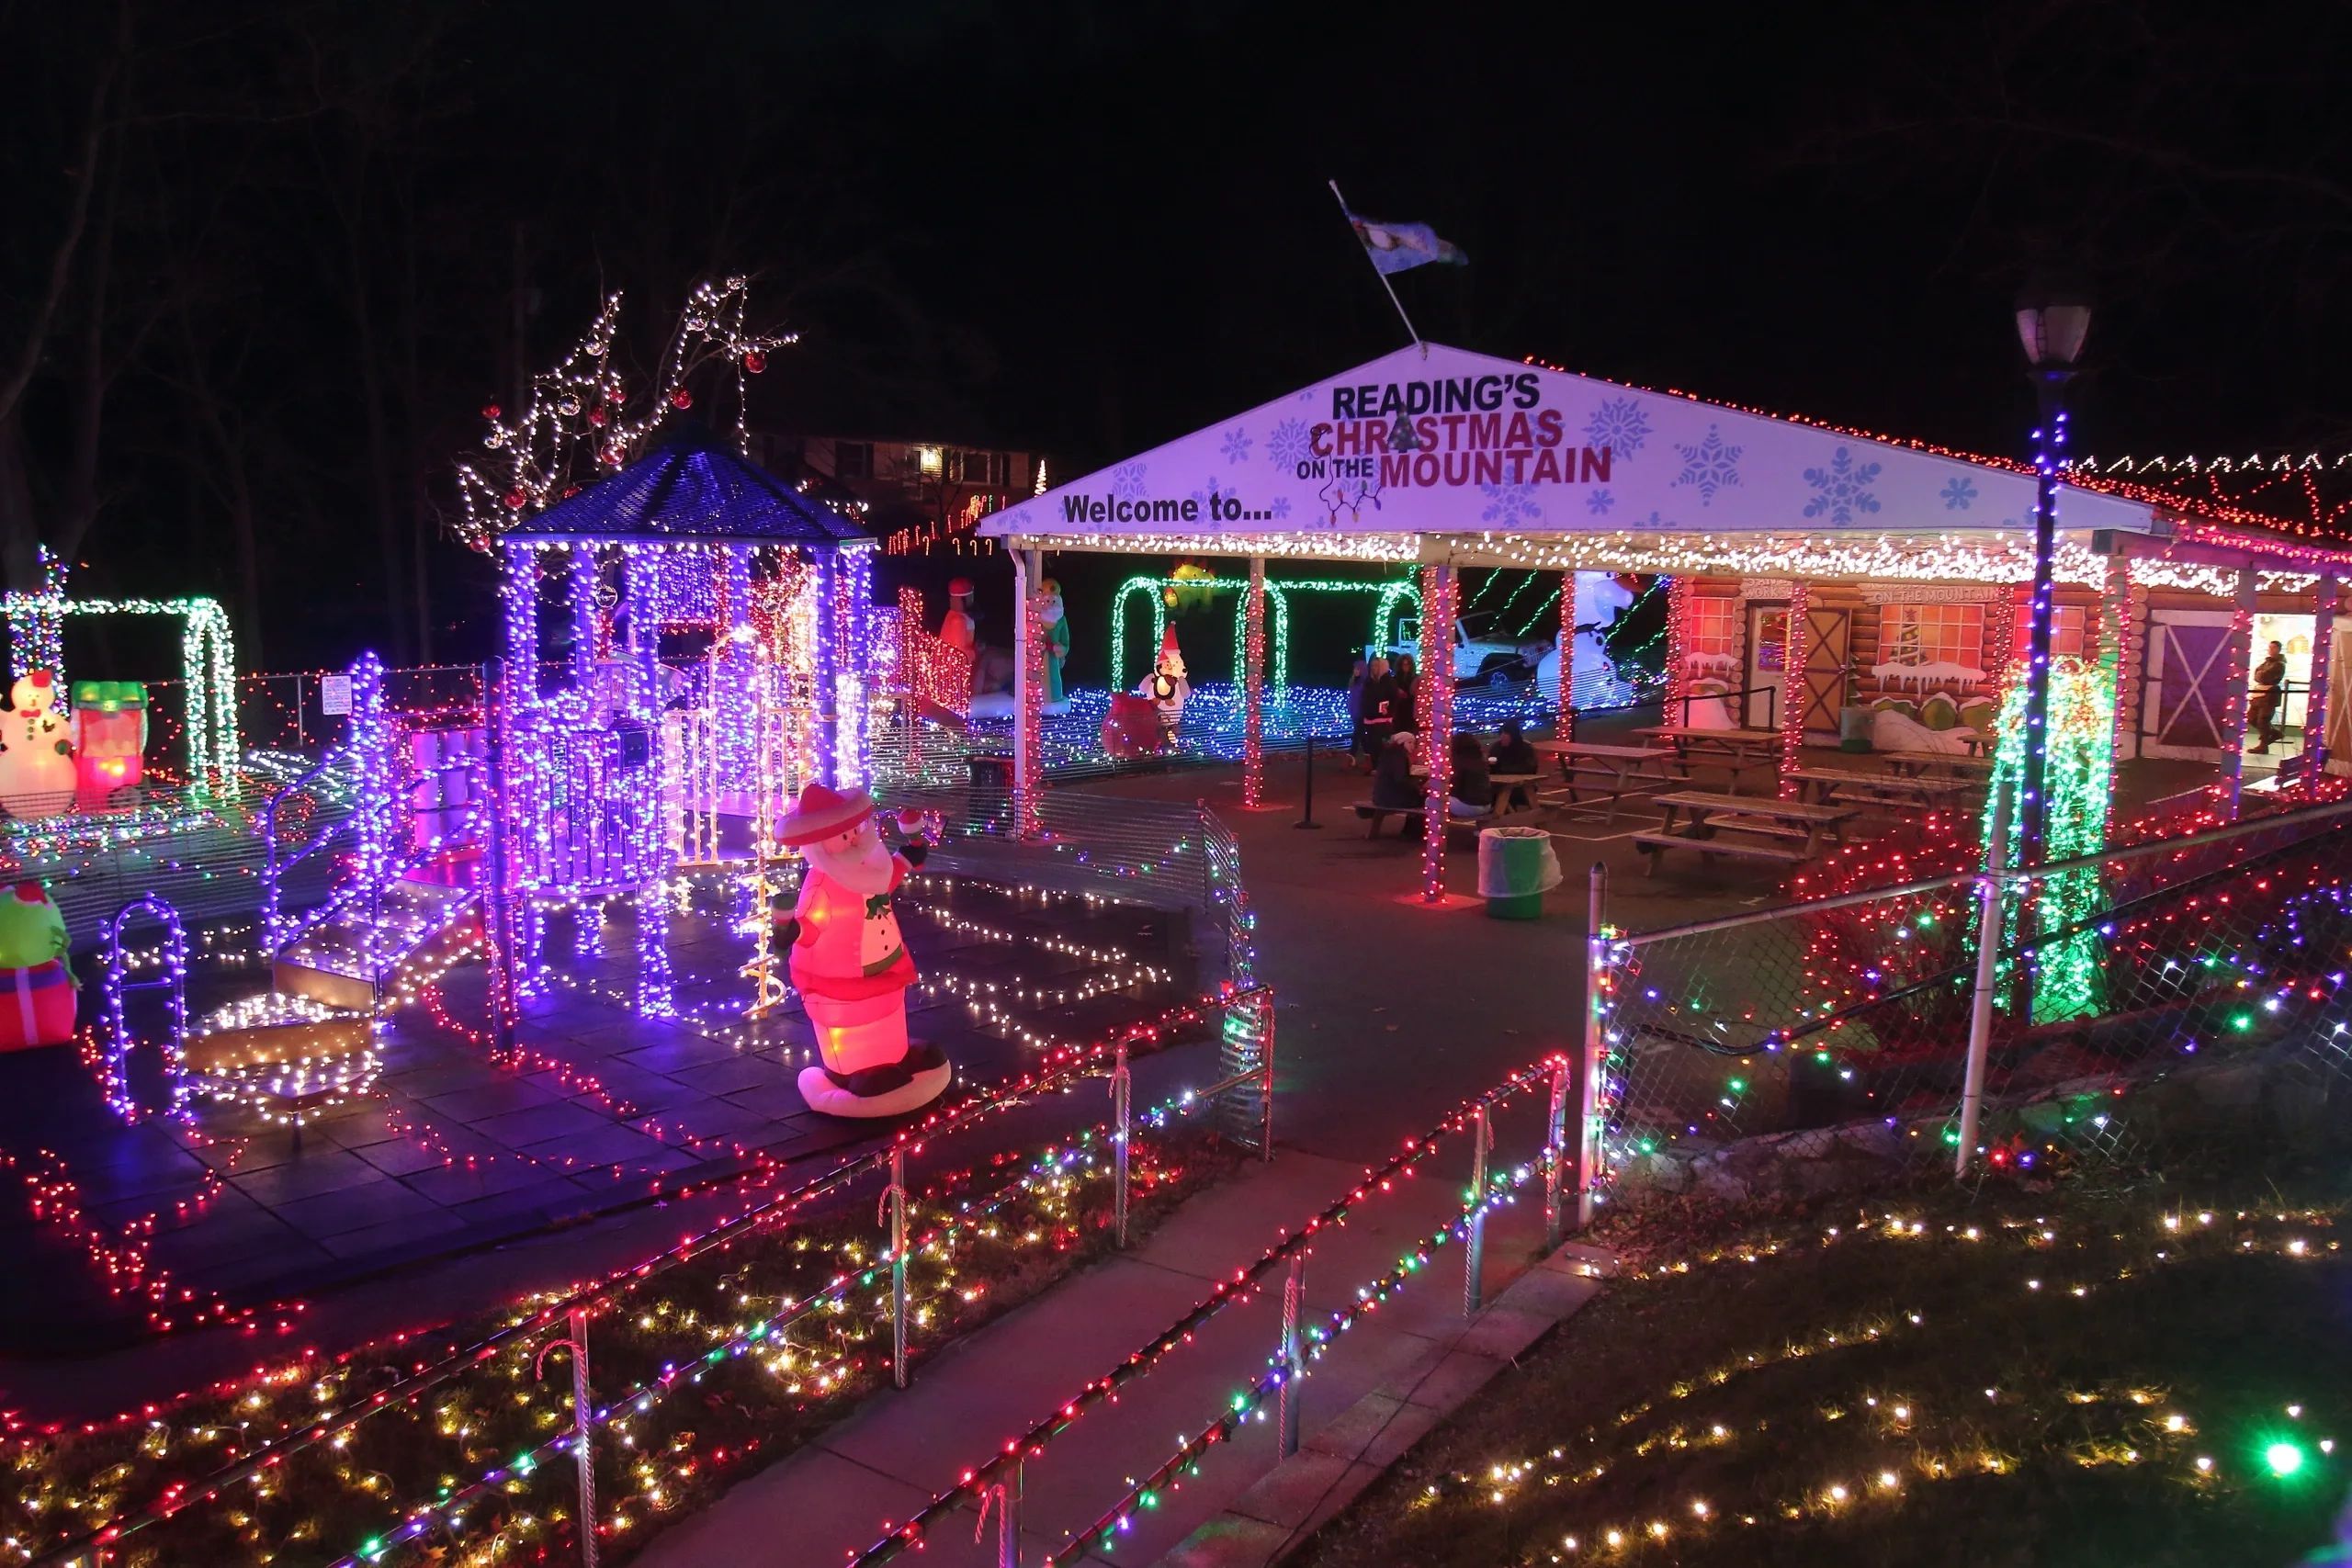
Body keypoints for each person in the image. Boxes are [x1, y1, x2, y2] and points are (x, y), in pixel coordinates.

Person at [1488, 718, 1540, 812]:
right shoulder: (1496, 748)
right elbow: (1490, 768)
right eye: (1501, 734)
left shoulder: (1526, 749)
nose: (1502, 737)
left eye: (1506, 734)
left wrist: (1504, 770)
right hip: (1498, 784)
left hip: (1521, 786)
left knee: (1503, 794)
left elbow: (1530, 769)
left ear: (1513, 735)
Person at [2249, 639, 2288, 753]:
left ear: (2278, 649)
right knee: (2251, 718)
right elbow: (2257, 674)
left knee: (2263, 720)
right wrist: (2260, 675)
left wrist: (2261, 674)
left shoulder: (2279, 664)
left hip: (2270, 695)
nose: (2270, 650)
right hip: (2259, 694)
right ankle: (2274, 733)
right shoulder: (2267, 662)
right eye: (2269, 647)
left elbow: (2265, 676)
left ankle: (2263, 745)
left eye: (2273, 648)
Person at [1358, 657, 1396, 762]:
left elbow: (1393, 699)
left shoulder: (1388, 682)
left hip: (1383, 720)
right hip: (1369, 718)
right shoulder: (1368, 682)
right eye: (1372, 666)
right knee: (1372, 745)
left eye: (1376, 666)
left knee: (1381, 745)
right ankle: (1375, 766)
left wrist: (1387, 710)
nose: (1373, 668)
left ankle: (1382, 767)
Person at [1447, 731, 1494, 818]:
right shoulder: (1481, 759)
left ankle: (1442, 828)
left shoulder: (1460, 762)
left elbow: (1456, 788)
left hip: (1470, 806)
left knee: (1432, 800)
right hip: (1487, 805)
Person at [1344, 655, 1369, 769]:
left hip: (1362, 712)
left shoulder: (1365, 683)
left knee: (1358, 733)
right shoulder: (1353, 682)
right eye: (1355, 669)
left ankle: (1351, 754)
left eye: (1358, 669)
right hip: (1354, 712)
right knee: (1361, 735)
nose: (1356, 671)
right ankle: (1368, 756)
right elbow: (1352, 698)